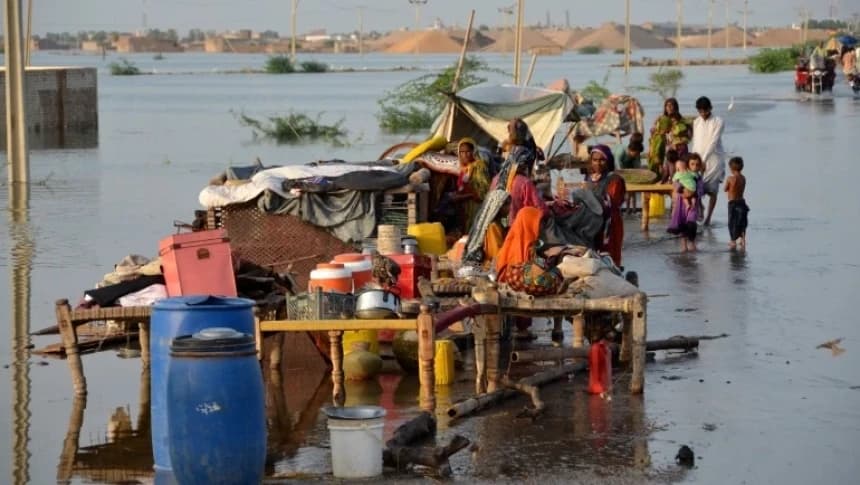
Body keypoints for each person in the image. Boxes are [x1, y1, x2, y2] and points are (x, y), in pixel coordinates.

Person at [584, 144, 627, 267]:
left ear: (608, 160)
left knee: (610, 253)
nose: (598, 163)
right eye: (595, 160)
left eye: (602, 160)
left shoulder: (614, 179)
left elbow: (611, 201)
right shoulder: (588, 178)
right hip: (592, 222)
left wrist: (588, 197)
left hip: (610, 223)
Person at [690, 96, 725, 226]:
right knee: (696, 188)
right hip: (698, 161)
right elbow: (695, 142)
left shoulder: (718, 121)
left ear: (710, 108)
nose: (703, 113)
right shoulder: (696, 122)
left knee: (712, 191)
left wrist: (703, 159)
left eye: (705, 110)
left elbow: (713, 141)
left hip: (714, 160)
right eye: (700, 111)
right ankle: (700, 208)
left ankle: (709, 218)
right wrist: (693, 159)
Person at [453, 137, 490, 233]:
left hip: (475, 205)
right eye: (461, 152)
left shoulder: (479, 166)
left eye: (467, 151)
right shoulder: (463, 168)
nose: (464, 155)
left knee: (475, 230)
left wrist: (471, 194)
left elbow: (483, 188)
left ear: (473, 151)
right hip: (464, 205)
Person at [647, 98, 689, 175]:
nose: (669, 107)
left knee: (680, 170)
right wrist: (653, 132)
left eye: (671, 105)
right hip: (666, 148)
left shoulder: (681, 120)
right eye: (667, 105)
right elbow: (655, 133)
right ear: (665, 108)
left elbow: (688, 136)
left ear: (675, 107)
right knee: (668, 170)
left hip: (680, 148)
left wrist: (677, 142)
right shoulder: (661, 119)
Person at [667, 156, 699, 252]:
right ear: (688, 165)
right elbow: (676, 187)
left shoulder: (696, 177)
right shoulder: (682, 176)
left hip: (693, 206)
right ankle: (684, 246)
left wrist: (690, 192)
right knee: (682, 225)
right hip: (681, 206)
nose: (695, 167)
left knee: (691, 224)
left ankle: (692, 243)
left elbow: (700, 190)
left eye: (697, 164)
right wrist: (685, 191)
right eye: (692, 164)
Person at [613, 132, 644, 212]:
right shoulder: (621, 152)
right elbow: (618, 165)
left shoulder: (636, 154)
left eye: (638, 154)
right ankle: (617, 207)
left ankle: (632, 209)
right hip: (615, 167)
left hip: (627, 167)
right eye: (636, 153)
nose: (637, 155)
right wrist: (624, 177)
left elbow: (638, 166)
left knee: (631, 191)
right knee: (619, 188)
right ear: (631, 151)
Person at [724, 156, 749, 250]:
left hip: (733, 203)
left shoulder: (730, 178)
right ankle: (743, 239)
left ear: (731, 168)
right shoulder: (743, 178)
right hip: (742, 202)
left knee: (732, 222)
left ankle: (733, 241)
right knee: (742, 221)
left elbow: (725, 189)